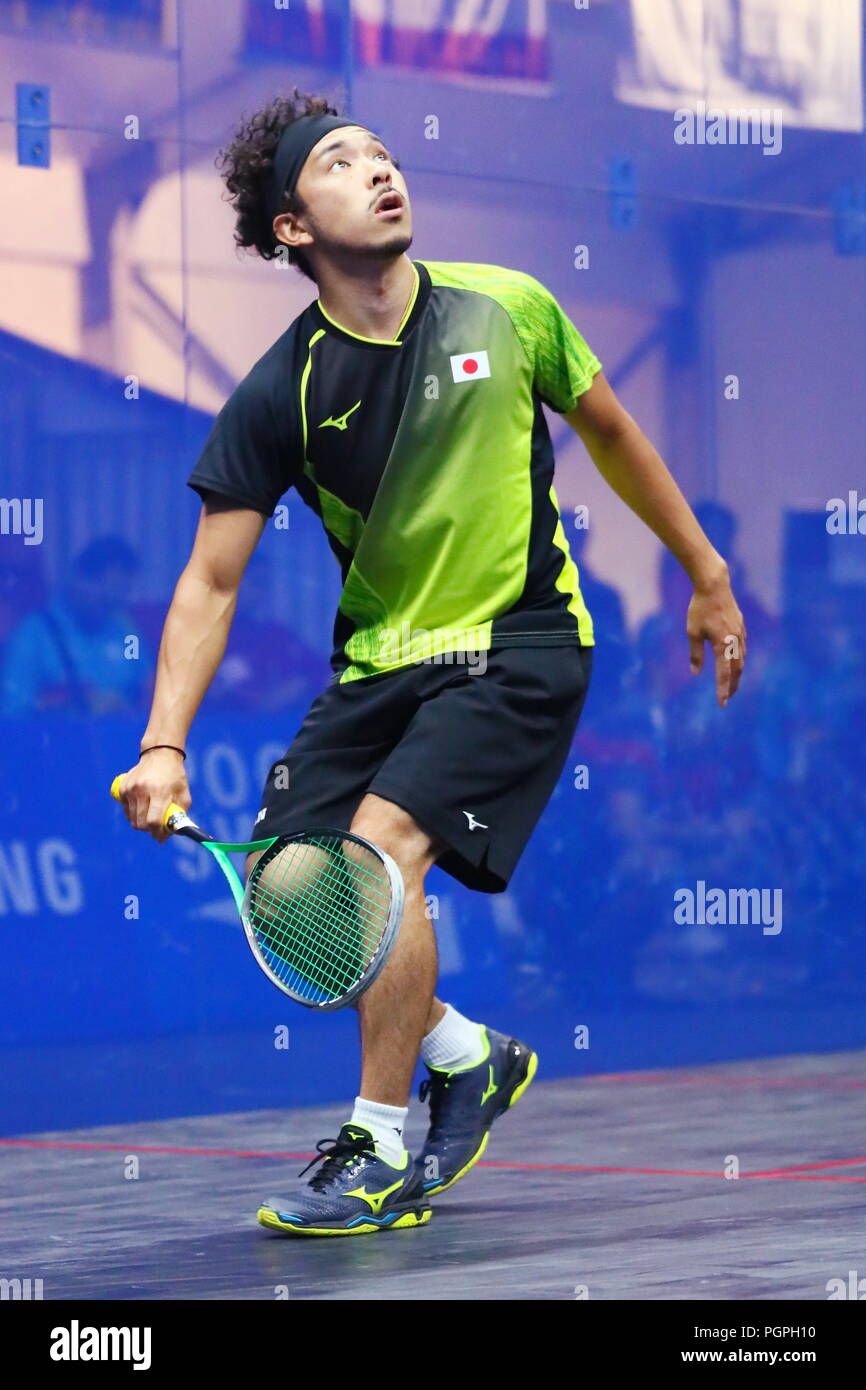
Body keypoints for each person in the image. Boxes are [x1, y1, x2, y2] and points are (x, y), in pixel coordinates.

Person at [115, 89, 746, 1237]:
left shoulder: (510, 309)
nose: (379, 172)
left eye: (384, 156)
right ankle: (466, 1055)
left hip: (518, 643)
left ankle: (373, 1142)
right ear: (293, 229)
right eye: (342, 166)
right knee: (304, 895)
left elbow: (610, 432)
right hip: (379, 664)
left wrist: (703, 572)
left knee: (378, 855)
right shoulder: (282, 390)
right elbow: (210, 582)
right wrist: (164, 743)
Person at [1, 536, 149, 716]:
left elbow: (148, 691)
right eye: (105, 594)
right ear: (79, 579)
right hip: (59, 740)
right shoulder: (35, 634)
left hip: (122, 739)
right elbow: (12, 712)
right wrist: (66, 706)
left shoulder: (125, 632)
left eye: (119, 594)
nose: (112, 602)